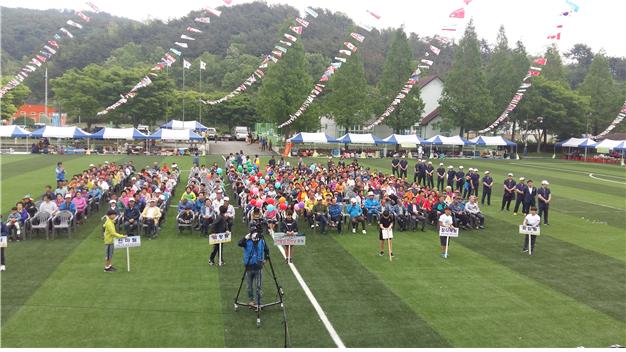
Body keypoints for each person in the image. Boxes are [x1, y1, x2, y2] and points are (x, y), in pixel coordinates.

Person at [238, 230, 268, 309]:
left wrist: (265, 259)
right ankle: (251, 301)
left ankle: (259, 303)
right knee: (249, 286)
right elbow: (239, 243)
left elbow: (266, 249)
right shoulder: (246, 241)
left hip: (258, 267)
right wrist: (245, 238)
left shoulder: (261, 241)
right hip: (249, 267)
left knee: (259, 286)